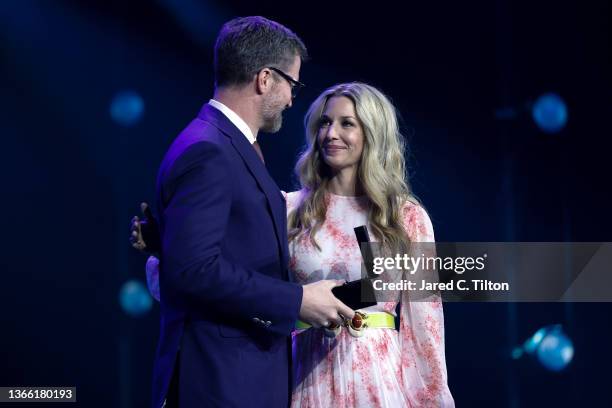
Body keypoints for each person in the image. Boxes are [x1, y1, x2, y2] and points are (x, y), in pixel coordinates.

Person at [135, 82, 454, 407]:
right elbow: (230, 282)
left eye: (347, 124)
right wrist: (170, 249)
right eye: (324, 123)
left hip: (378, 383)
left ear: (373, 132)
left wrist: (431, 400)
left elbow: (425, 324)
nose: (330, 133)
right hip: (302, 376)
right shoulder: (288, 209)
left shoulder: (405, 217)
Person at [145, 16, 354, 408]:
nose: (293, 99)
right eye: (291, 84)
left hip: (238, 377)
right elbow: (194, 270)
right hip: (219, 382)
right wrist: (296, 301)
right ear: (264, 79)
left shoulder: (224, 145)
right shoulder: (210, 150)